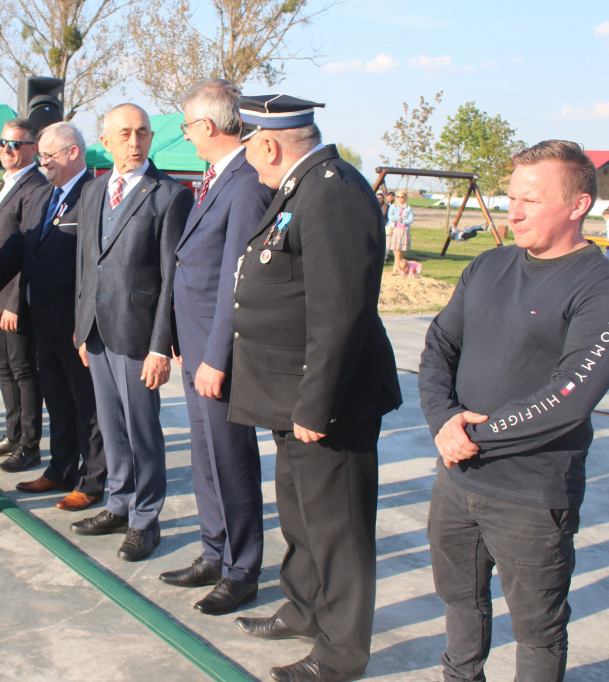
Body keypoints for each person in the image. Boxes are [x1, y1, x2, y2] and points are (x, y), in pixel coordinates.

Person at [419, 140, 609, 682]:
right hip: (456, 479)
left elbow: (572, 392)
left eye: (531, 199)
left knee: (538, 630)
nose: (514, 211)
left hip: (531, 494)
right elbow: (438, 348)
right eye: (510, 197)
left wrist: (477, 435)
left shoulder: (597, 285)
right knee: (459, 601)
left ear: (579, 205)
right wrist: (441, 420)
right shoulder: (488, 265)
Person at [229, 94, 401, 682]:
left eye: (250, 142)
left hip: (326, 400)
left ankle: (341, 654)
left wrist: (317, 404)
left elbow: (341, 311)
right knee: (301, 519)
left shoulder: (332, 191)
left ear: (269, 143)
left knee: (339, 532)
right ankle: (303, 607)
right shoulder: (304, 187)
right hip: (288, 392)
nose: (248, 154)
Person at [158, 79, 274, 615]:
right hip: (196, 342)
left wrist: (216, 357)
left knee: (230, 459)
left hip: (217, 351)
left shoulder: (246, 183)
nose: (186, 135)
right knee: (204, 457)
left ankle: (242, 567)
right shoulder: (216, 178)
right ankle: (213, 550)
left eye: (186, 125)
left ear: (206, 126)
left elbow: (237, 277)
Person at [71, 103, 193, 561]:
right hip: (97, 333)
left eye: (142, 133)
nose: (135, 142)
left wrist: (161, 346)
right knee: (111, 427)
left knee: (143, 432)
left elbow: (170, 278)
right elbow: (87, 262)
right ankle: (118, 504)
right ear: (106, 139)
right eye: (124, 134)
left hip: (141, 336)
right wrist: (80, 329)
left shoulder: (169, 195)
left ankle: (146, 519)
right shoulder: (95, 190)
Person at [0, 121, 107, 512]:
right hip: (44, 321)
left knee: (87, 407)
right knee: (57, 401)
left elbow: (96, 265)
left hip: (77, 325)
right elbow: (23, 244)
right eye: (39, 156)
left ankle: (91, 481)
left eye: (48, 156)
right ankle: (60, 468)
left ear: (74, 153)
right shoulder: (43, 196)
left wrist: (86, 322)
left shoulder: (95, 195)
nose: (42, 163)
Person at [0, 118, 49, 471]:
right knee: (2, 367)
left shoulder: (35, 186)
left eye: (16, 144)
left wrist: (16, 302)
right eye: (3, 142)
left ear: (33, 149)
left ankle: (29, 444)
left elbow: (30, 250)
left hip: (16, 299)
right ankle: (12, 433)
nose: (7, 149)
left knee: (23, 370)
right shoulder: (4, 184)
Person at [387, 189, 414, 275]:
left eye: (402, 197)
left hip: (404, 230)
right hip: (395, 230)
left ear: (405, 197)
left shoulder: (409, 208)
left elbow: (411, 220)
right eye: (398, 197)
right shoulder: (393, 207)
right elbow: (390, 217)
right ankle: (397, 269)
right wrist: (401, 218)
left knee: (401, 253)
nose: (399, 198)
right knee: (396, 252)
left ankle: (399, 269)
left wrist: (402, 221)